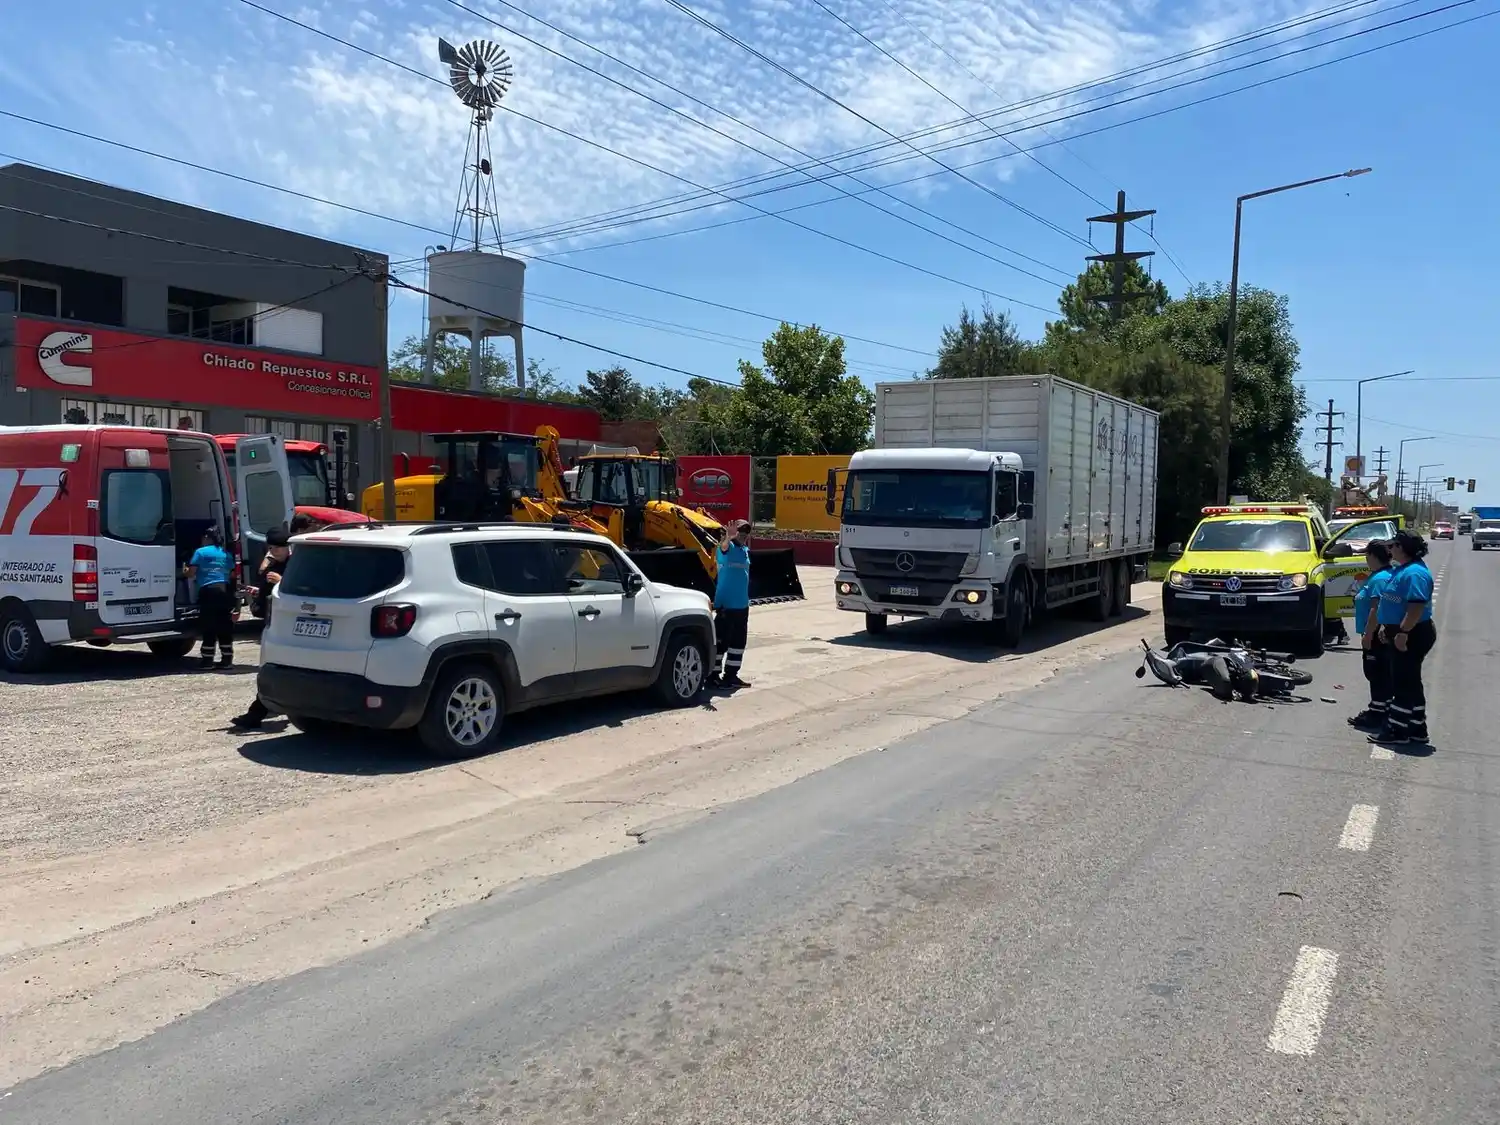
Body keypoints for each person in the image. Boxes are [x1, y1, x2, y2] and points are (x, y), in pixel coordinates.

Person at [232, 514, 320, 729]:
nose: (274, 552)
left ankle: (257, 713)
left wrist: (282, 581)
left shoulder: (296, 564)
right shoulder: (272, 563)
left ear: (287, 547)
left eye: (278, 548)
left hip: (291, 623)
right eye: (271, 548)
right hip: (274, 622)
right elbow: (265, 587)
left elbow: (305, 590)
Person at [1371, 529, 1437, 746]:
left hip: (1413, 633)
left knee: (1402, 684)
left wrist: (1403, 632)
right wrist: (1387, 627)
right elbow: (1394, 602)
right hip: (1400, 631)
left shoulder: (1415, 573)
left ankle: (1397, 731)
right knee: (1410, 681)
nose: (1390, 549)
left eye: (1393, 546)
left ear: (1403, 548)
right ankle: (1417, 728)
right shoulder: (1404, 569)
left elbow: (1416, 606)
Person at [1347, 539, 1395, 731]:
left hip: (1376, 634)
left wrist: (1368, 634)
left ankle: (1378, 714)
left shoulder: (1380, 579)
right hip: (1378, 632)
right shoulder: (1381, 575)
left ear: (1373, 556)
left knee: (1376, 674)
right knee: (1380, 674)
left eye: (1367, 555)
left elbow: (1376, 609)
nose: (1365, 559)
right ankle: (1381, 710)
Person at [708, 519, 752, 688]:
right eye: (740, 531)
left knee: (738, 644)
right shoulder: (727, 548)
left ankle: (731, 676)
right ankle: (712, 677)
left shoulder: (744, 551)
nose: (743, 535)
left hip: (742, 606)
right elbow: (724, 547)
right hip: (726, 606)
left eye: (746, 532)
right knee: (721, 643)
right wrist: (728, 537)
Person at [186, 528, 235, 668]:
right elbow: (232, 574)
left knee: (209, 625)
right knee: (224, 625)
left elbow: (191, 573)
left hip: (209, 591)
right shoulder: (225, 553)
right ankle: (227, 659)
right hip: (224, 591)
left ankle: (207, 660)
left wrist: (184, 571)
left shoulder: (200, 552)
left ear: (207, 537)